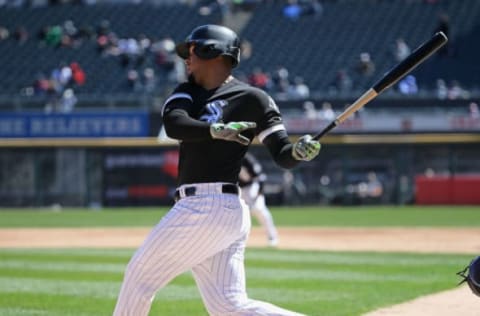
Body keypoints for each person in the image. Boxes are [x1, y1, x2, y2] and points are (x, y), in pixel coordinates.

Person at [113, 24, 321, 316]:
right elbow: (174, 124)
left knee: (139, 279)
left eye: (193, 51)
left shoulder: (253, 99)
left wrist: (300, 152)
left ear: (214, 52)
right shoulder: (187, 93)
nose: (186, 58)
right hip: (216, 211)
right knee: (229, 307)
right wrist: (214, 130)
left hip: (207, 207)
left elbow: (283, 155)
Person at [239, 152, 279, 247]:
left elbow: (261, 177)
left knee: (259, 210)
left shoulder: (248, 159)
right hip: (240, 189)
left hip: (253, 186)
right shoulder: (231, 158)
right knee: (239, 214)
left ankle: (272, 236)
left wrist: (260, 192)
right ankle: (239, 238)